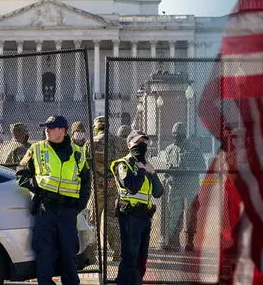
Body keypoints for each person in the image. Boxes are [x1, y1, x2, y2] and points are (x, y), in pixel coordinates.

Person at [15, 115, 91, 285]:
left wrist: (79, 206)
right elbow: (21, 173)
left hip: (68, 211)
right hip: (45, 209)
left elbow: (86, 182)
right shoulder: (36, 149)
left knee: (68, 252)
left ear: (62, 131)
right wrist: (38, 187)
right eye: (46, 127)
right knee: (44, 252)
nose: (46, 130)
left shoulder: (78, 153)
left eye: (51, 127)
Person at [111, 130, 164, 285]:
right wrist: (141, 170)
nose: (141, 145)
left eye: (144, 142)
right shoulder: (123, 164)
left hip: (144, 218)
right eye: (137, 142)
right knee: (130, 257)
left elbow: (159, 192)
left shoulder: (147, 167)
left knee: (142, 258)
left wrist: (152, 174)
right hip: (129, 217)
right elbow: (132, 187)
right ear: (129, 145)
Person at [85, 116, 127, 262]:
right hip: (115, 186)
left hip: (97, 188)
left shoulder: (90, 143)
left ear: (96, 127)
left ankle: (91, 254)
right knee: (113, 219)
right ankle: (118, 252)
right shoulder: (121, 142)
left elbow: (86, 165)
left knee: (92, 221)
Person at [162, 122, 204, 251]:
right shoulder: (169, 149)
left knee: (191, 213)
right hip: (175, 185)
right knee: (174, 213)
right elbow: (168, 166)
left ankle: (189, 241)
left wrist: (188, 167)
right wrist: (168, 173)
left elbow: (202, 166)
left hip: (190, 185)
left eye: (178, 134)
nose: (175, 137)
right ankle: (174, 241)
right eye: (174, 134)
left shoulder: (194, 148)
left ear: (183, 134)